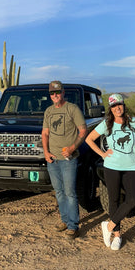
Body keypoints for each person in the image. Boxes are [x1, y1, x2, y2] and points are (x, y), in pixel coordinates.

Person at [85, 93, 135, 250]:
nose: (117, 108)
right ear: (110, 108)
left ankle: (108, 226)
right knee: (114, 200)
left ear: (124, 105)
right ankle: (117, 235)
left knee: (132, 199)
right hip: (112, 166)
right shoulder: (106, 124)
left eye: (119, 104)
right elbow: (89, 139)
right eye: (114, 106)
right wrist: (102, 154)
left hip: (131, 167)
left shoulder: (134, 123)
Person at [42, 81, 87, 239]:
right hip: (52, 159)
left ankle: (73, 225)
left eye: (57, 92)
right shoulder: (48, 111)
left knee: (69, 192)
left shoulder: (72, 109)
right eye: (52, 93)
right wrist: (46, 152)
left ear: (63, 93)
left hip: (68, 158)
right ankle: (64, 220)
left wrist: (72, 148)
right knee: (59, 192)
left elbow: (83, 131)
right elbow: (45, 133)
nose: (55, 95)